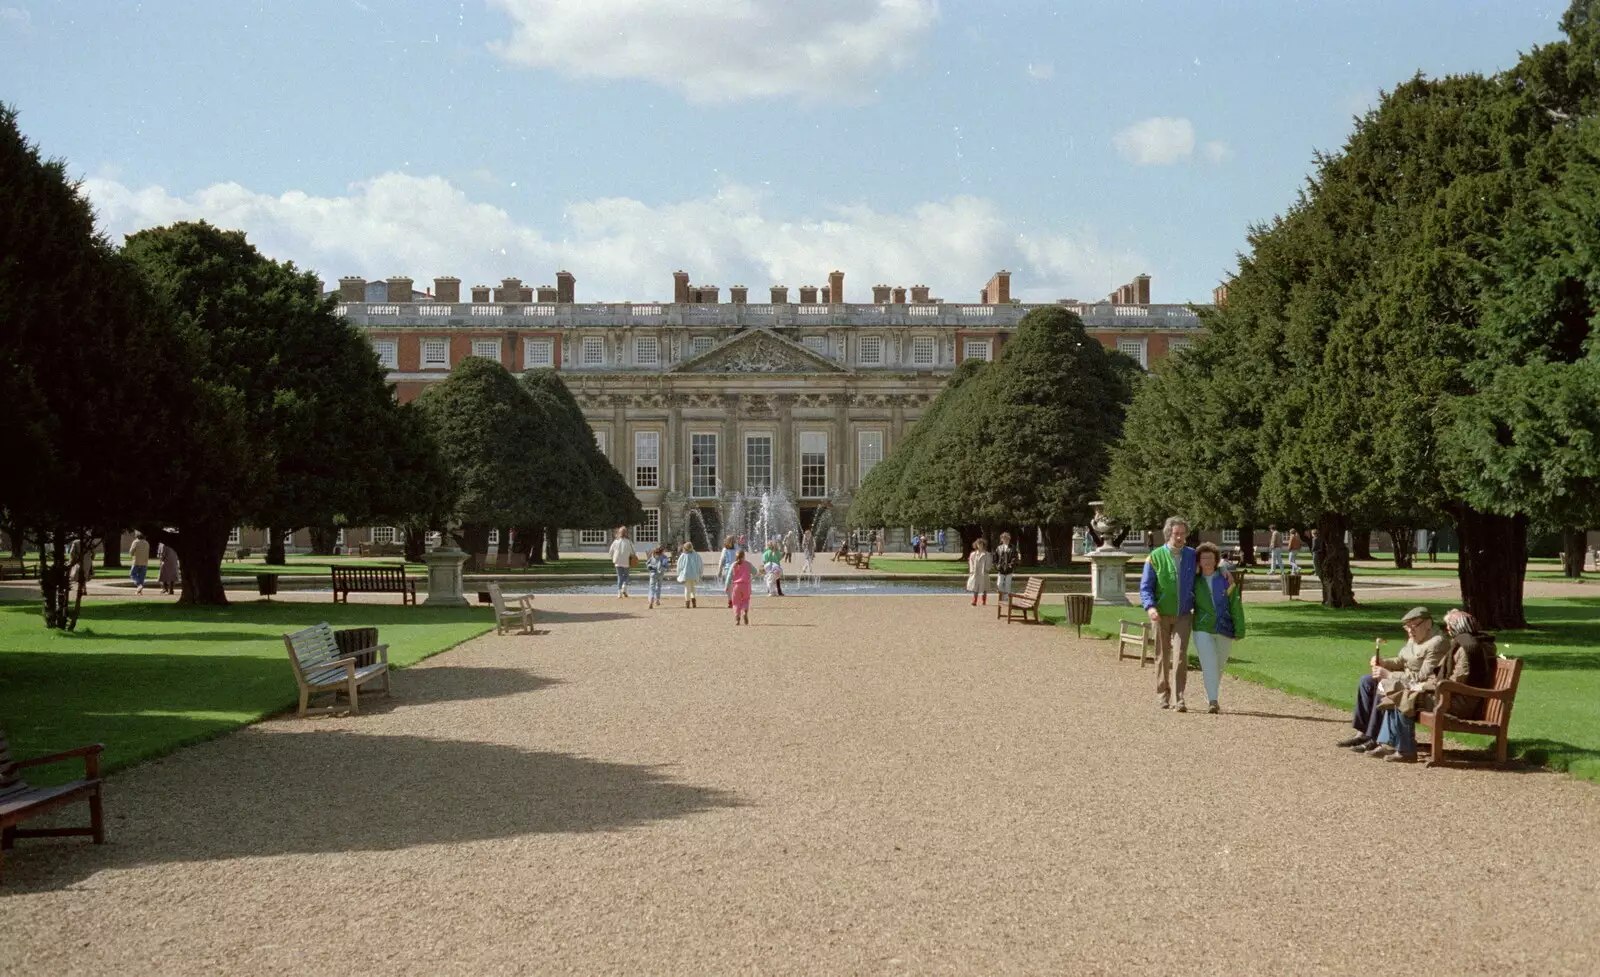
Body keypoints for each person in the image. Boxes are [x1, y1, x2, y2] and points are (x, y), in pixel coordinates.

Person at [1335, 606, 1449, 760]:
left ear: (1428, 624)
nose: (1409, 631)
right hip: (1404, 680)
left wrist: (1389, 674)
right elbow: (1401, 660)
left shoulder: (1437, 643)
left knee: (1384, 683)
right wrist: (1384, 662)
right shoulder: (1414, 638)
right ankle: (1363, 733)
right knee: (1366, 681)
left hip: (1418, 687)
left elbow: (1423, 677)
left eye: (1413, 626)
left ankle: (1374, 737)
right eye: (1406, 626)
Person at [1140, 516, 1197, 712]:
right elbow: (1146, 587)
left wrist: (1224, 571)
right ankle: (1163, 695)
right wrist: (1150, 607)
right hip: (1161, 614)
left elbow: (1210, 566)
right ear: (1168, 534)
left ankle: (1180, 699)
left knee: (1180, 656)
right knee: (1162, 656)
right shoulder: (1155, 557)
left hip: (1183, 614)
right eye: (1176, 534)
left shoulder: (1192, 555)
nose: (1180, 537)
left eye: (1183, 533)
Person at [1191, 542, 1244, 714]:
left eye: (1210, 558)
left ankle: (1210, 694)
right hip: (1202, 627)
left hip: (1224, 627)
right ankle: (1213, 700)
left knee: (1219, 666)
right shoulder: (1194, 581)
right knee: (1209, 663)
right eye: (1203, 558)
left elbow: (1235, 604)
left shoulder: (1226, 579)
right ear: (1199, 561)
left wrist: (1239, 629)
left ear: (1216, 560)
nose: (1206, 561)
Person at [726, 547, 753, 625]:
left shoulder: (734, 565)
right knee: (746, 600)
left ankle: (737, 617)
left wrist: (727, 585)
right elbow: (755, 572)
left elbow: (729, 576)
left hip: (736, 586)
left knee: (736, 602)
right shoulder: (748, 564)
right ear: (744, 556)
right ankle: (745, 611)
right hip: (746, 586)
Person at [993, 532, 1018, 610]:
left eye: (1007, 538)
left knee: (1008, 585)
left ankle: (1006, 599)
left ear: (1009, 539)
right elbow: (995, 559)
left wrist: (1010, 566)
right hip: (1000, 570)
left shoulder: (1013, 548)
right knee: (999, 584)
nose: (1005, 540)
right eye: (1004, 538)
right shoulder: (999, 548)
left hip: (1009, 570)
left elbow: (1015, 558)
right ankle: (1001, 598)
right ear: (1002, 539)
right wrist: (997, 566)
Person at [607, 526, 634, 598]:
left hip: (617, 561)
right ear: (626, 533)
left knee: (619, 577)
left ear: (619, 533)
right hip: (626, 562)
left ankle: (619, 593)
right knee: (626, 576)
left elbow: (610, 551)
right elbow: (633, 553)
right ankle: (624, 587)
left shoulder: (615, 541)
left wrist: (613, 558)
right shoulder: (629, 542)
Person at [675, 541, 703, 608]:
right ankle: (693, 601)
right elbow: (700, 565)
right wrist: (700, 573)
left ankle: (687, 603)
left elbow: (679, 565)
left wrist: (678, 573)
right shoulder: (696, 555)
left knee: (687, 589)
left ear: (684, 549)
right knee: (693, 589)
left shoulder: (683, 556)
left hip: (686, 575)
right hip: (694, 575)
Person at [967, 538, 992, 606]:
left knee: (984, 588)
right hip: (976, 573)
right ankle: (974, 601)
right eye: (979, 544)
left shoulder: (987, 554)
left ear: (983, 545)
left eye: (981, 544)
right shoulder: (973, 554)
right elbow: (971, 562)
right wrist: (972, 571)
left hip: (984, 573)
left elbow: (989, 563)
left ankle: (984, 601)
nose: (980, 546)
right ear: (976, 545)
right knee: (975, 587)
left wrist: (987, 569)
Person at [645, 545, 669, 609]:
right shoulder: (664, 557)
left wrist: (651, 567)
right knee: (659, 587)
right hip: (660, 574)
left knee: (652, 588)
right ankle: (657, 599)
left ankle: (651, 599)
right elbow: (666, 566)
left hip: (653, 574)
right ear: (662, 552)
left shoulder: (652, 557)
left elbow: (647, 564)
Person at [129, 531, 151, 595]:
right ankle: (139, 591)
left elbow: (131, 551)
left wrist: (132, 555)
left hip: (136, 562)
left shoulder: (135, 542)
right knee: (142, 577)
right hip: (145, 562)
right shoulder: (147, 543)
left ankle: (139, 585)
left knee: (132, 574)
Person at [718, 535, 738, 605]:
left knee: (729, 586)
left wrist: (720, 570)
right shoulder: (737, 548)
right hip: (735, 569)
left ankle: (730, 600)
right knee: (734, 585)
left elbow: (721, 560)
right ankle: (732, 599)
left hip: (729, 569)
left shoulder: (725, 549)